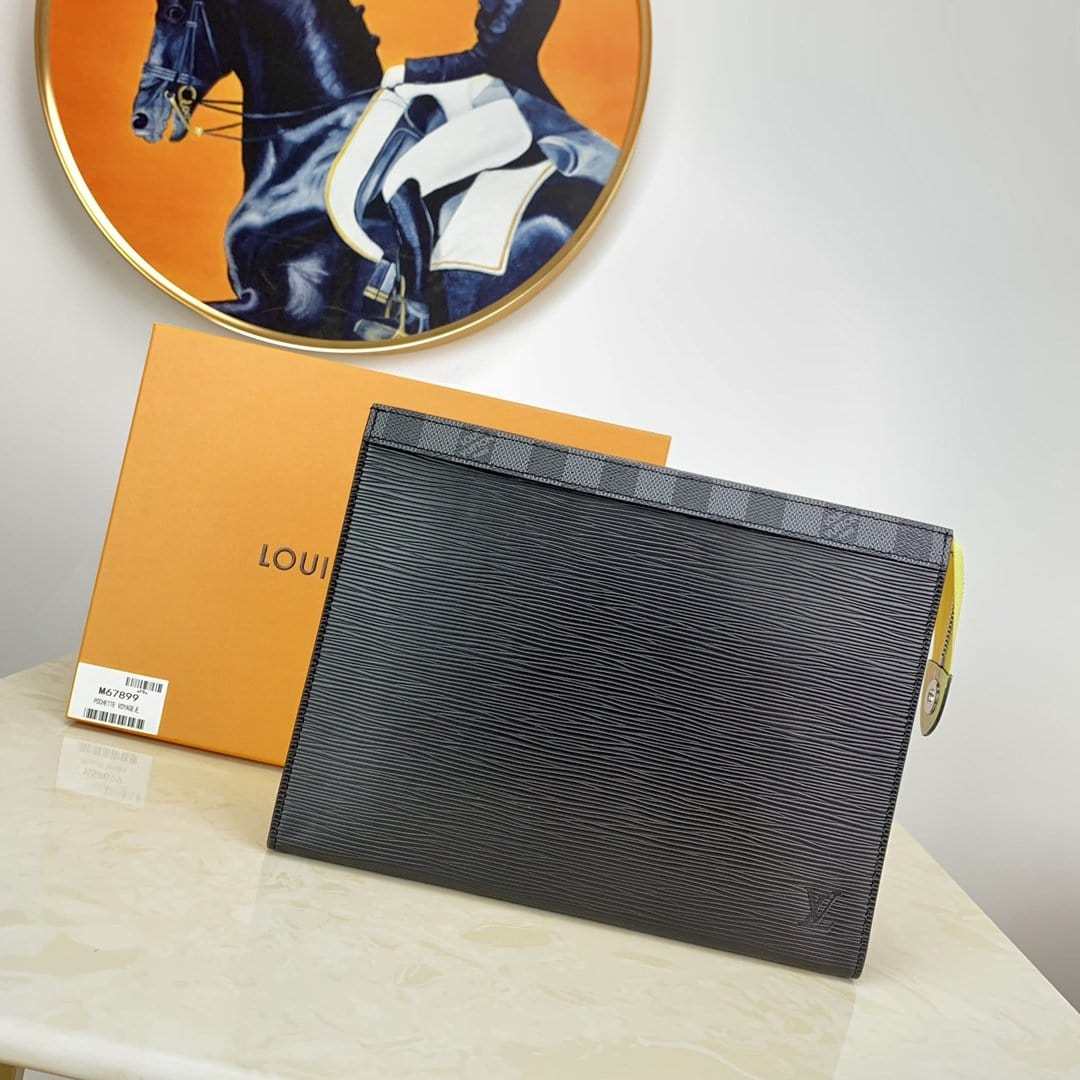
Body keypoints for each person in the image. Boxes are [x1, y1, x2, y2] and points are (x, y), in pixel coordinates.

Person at [377, 0, 563, 327]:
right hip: (490, 92)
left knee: (399, 182)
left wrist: (409, 71)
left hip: (511, 106)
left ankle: (414, 306)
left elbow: (486, 57)